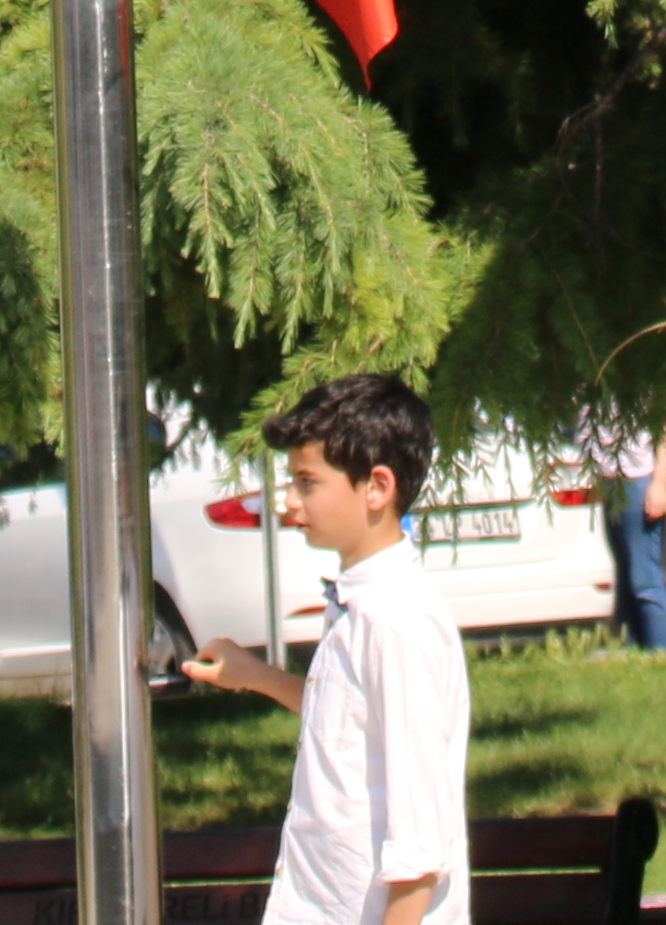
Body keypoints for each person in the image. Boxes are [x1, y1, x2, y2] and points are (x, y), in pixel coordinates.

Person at [183, 374, 469, 925]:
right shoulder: (360, 602)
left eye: (307, 482)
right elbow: (348, 719)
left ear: (377, 488)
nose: (289, 501)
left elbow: (419, 843)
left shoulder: (397, 619)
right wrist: (255, 676)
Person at [581, 413, 666, 651]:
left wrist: (660, 484)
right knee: (624, 581)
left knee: (644, 579)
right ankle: (633, 658)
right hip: (610, 478)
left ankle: (660, 656)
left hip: (639, 477)